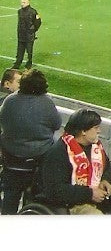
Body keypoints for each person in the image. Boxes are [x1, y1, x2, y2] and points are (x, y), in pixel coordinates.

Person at [35, 108, 111, 214]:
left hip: (97, 199)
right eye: (96, 128)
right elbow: (55, 190)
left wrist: (106, 181)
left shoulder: (96, 148)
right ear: (83, 131)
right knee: (93, 215)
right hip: (72, 203)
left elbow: (106, 168)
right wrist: (90, 194)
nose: (99, 131)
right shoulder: (59, 152)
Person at [0, 69, 61, 214]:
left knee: (10, 197)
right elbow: (57, 124)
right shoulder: (47, 102)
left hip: (12, 161)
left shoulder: (10, 101)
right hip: (39, 162)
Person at [14, 0, 42, 69]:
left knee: (29, 51)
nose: (22, 4)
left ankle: (29, 63)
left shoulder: (33, 11)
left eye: (24, 2)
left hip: (29, 35)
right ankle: (17, 64)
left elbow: (38, 22)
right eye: (21, 2)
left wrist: (33, 30)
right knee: (20, 50)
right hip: (21, 35)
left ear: (28, 3)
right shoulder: (19, 11)